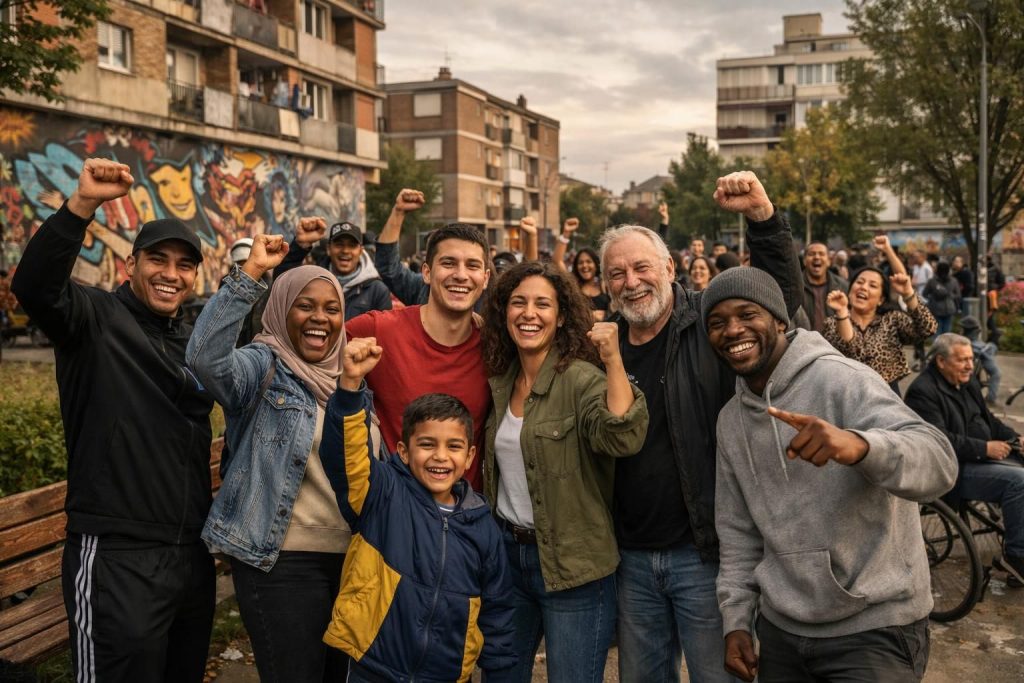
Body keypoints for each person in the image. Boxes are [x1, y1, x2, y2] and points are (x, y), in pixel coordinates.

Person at [10, 158, 215, 680]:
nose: (171, 275)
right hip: (117, 558)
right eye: (158, 260)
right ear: (130, 265)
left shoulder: (192, 336)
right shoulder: (94, 319)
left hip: (189, 557)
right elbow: (34, 288)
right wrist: (82, 205)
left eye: (184, 265)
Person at [702, 267, 957, 683]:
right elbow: (737, 533)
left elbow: (939, 462)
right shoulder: (731, 421)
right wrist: (736, 620)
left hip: (874, 630)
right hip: (782, 632)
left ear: (779, 320)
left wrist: (860, 446)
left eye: (747, 314)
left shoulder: (842, 379)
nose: (732, 330)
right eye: (717, 322)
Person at [599, 170, 803, 683]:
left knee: (721, 676)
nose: (631, 282)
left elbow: (776, 296)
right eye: (617, 273)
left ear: (669, 266)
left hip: (706, 554)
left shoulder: (710, 324)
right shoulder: (600, 348)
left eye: (642, 267)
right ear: (605, 284)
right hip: (631, 557)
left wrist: (762, 218)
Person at [187, 236, 354, 682]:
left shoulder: (351, 378)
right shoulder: (263, 364)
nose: (320, 318)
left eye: (331, 308)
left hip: (351, 561)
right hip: (279, 561)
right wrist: (251, 275)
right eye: (304, 305)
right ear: (281, 309)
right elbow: (205, 360)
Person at [480, 261, 649, 682]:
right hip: (507, 558)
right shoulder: (500, 380)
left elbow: (621, 436)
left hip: (576, 565)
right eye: (518, 303)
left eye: (542, 304)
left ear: (561, 317)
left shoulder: (581, 379)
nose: (529, 313)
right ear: (504, 312)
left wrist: (612, 360)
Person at [319, 341, 517, 682]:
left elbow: (498, 614)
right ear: (403, 451)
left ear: (469, 457)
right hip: (372, 667)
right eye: (427, 444)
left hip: (445, 675)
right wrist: (350, 388)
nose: (440, 456)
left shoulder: (483, 527)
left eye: (453, 446)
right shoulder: (382, 494)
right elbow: (345, 456)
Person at [347, 221, 493, 490]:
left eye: (472, 266)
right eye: (448, 263)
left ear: (484, 278)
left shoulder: (495, 347)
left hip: (467, 520)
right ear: (426, 272)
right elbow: (302, 342)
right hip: (394, 514)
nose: (461, 275)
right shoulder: (380, 329)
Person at [905, 333, 1024, 589]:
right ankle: (1016, 558)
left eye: (971, 359)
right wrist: (984, 448)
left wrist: (1016, 439)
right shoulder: (922, 392)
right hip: (953, 469)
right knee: (1019, 482)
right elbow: (940, 441)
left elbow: (989, 421)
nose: (970, 365)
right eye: (962, 360)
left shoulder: (968, 382)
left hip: (980, 458)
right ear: (941, 361)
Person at [823, 258, 936, 394]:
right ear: (850, 290)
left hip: (886, 395)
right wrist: (842, 312)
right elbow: (852, 351)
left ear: (881, 299)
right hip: (845, 395)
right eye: (859, 282)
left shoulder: (892, 319)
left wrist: (908, 294)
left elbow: (927, 328)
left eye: (873, 285)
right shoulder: (832, 323)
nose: (863, 287)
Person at [278, 217, 392, 320]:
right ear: (328, 249)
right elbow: (281, 284)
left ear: (361, 251)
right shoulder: (311, 281)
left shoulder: (378, 290)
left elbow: (384, 333)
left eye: (352, 245)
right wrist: (300, 245)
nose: (345, 251)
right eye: (339, 245)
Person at [552, 217, 610, 320]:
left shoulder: (604, 285)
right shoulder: (573, 285)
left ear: (596, 264)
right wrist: (566, 234)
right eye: (580, 262)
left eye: (588, 262)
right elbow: (557, 261)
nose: (584, 266)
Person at [801, 241, 847, 333]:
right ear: (804, 261)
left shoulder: (843, 286)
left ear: (829, 261)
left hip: (834, 344)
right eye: (812, 254)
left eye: (821, 254)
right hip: (803, 343)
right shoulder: (794, 287)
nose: (817, 257)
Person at [960, 315, 1001, 404]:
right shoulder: (983, 347)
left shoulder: (960, 342)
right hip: (982, 356)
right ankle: (991, 398)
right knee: (996, 374)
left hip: (976, 357)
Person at [924, 261, 961, 335]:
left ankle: (937, 345)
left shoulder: (932, 281)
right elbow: (958, 295)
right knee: (947, 331)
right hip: (949, 308)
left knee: (937, 331)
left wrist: (932, 298)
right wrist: (950, 296)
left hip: (935, 309)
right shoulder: (953, 281)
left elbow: (925, 294)